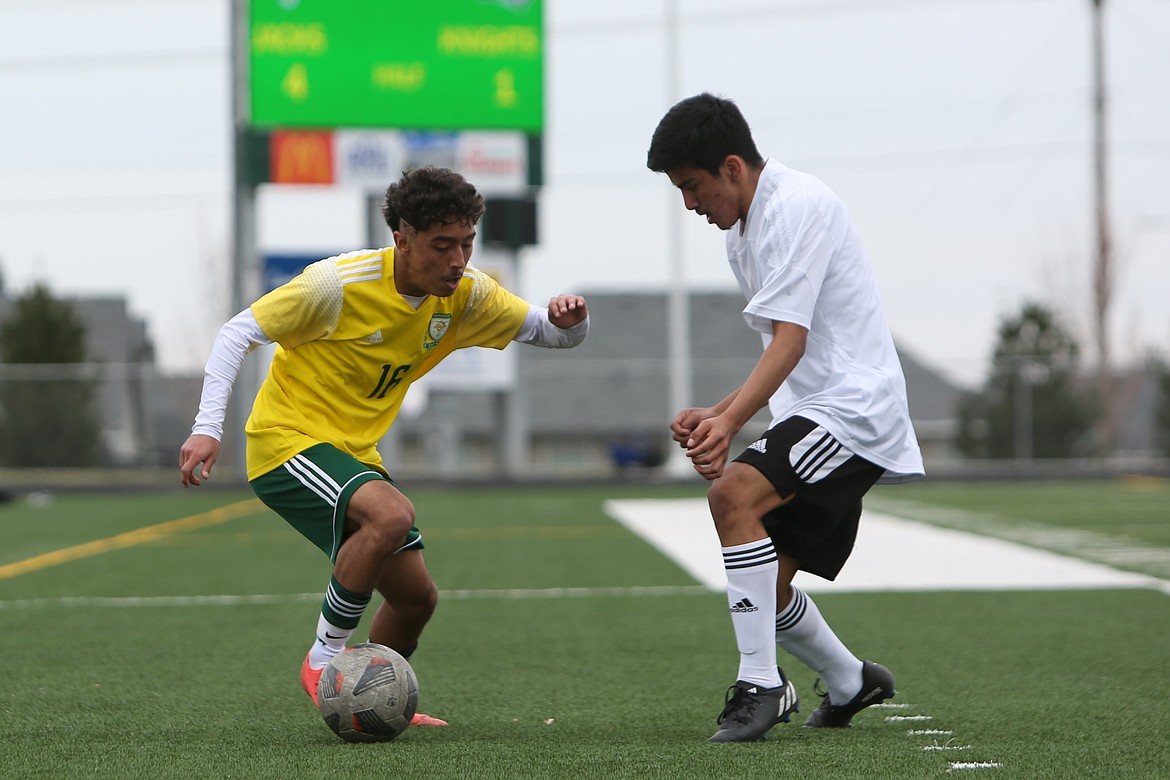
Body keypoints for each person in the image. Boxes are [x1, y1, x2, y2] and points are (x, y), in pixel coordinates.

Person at [179, 166, 589, 726]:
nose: (457, 259)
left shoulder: (466, 298)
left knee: (417, 599)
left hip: (355, 456)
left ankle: (371, 701)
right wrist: (208, 427)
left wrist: (574, 318)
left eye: (467, 243)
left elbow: (553, 332)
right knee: (392, 515)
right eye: (441, 245)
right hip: (286, 444)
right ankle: (325, 662)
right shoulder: (336, 286)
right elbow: (237, 333)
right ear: (402, 238)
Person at [646, 94, 924, 743]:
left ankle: (761, 685)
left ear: (733, 168)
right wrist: (719, 413)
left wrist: (731, 422)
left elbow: (791, 342)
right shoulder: (744, 233)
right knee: (761, 583)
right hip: (816, 411)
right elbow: (789, 348)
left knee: (731, 496)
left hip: (855, 411)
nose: (690, 204)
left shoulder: (798, 206)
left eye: (692, 186)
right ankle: (853, 680)